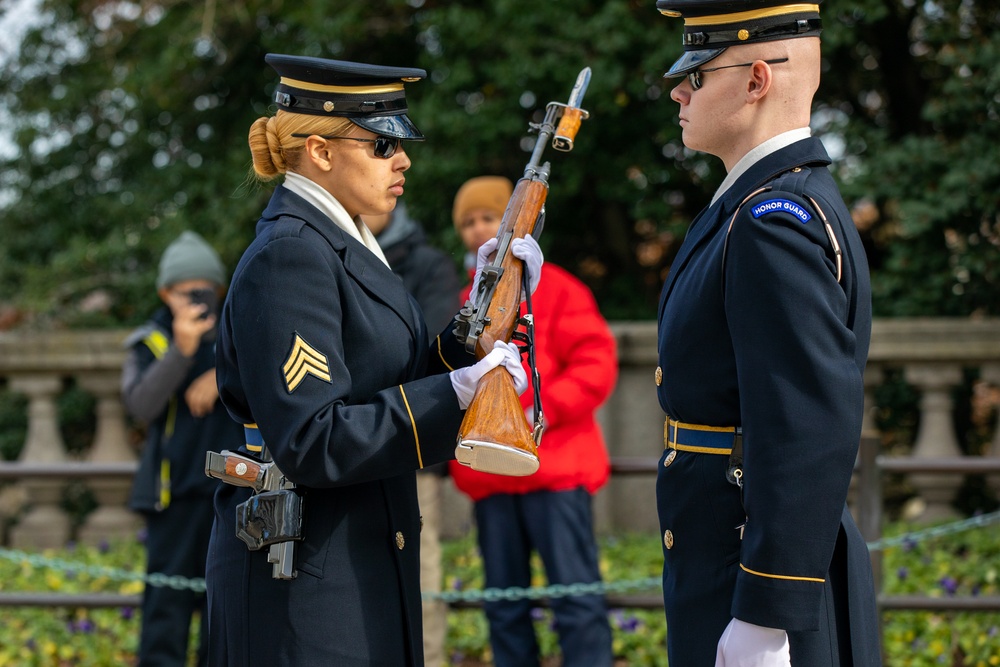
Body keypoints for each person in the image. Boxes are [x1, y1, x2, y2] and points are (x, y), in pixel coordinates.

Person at [205, 54, 542, 667]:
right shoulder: (291, 255)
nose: (403, 160)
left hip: (350, 553)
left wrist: (479, 318)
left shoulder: (346, 240)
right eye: (383, 144)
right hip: (308, 578)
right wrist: (456, 395)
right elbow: (312, 438)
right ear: (320, 151)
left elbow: (388, 373)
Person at [651, 2, 881, 665]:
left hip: (748, 570)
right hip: (733, 552)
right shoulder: (761, 203)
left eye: (697, 74)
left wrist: (766, 613)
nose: (679, 91)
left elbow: (806, 425)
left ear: (757, 80)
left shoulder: (770, 220)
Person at [447, 175, 617, 667]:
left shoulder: (559, 288)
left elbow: (595, 365)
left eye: (489, 217)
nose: (478, 228)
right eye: (468, 222)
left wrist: (535, 412)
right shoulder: (467, 298)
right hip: (493, 476)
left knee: (576, 600)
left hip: (555, 472)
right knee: (504, 607)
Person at [121, 230, 242, 667]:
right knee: (165, 609)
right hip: (171, 497)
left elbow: (271, 383)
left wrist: (222, 375)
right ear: (164, 294)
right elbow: (140, 405)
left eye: (204, 291)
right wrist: (182, 350)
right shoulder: (151, 340)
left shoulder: (238, 333)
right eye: (184, 292)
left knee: (224, 610)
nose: (195, 300)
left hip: (230, 494)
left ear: (220, 291)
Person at [363, 203, 462, 667]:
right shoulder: (332, 252)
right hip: (353, 443)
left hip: (411, 445)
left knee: (421, 574)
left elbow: (431, 351)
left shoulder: (428, 264)